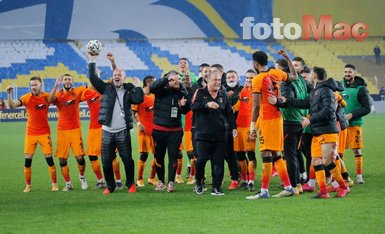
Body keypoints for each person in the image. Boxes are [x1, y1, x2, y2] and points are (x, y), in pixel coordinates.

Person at [272, 68, 350, 198]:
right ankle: (323, 191)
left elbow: (328, 111)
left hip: (328, 131)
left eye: (311, 73)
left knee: (327, 161)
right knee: (316, 161)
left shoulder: (327, 91)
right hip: (317, 131)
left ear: (314, 76)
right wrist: (286, 100)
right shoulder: (315, 91)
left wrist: (310, 119)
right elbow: (303, 103)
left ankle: (343, 186)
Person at [88, 53, 144, 194]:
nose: (117, 77)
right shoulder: (106, 88)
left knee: (127, 160)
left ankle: (131, 184)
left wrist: (138, 86)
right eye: (115, 75)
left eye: (120, 75)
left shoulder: (129, 90)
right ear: (113, 77)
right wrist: (92, 60)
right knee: (106, 161)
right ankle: (110, 186)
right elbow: (93, 78)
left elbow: (138, 99)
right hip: (107, 131)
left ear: (124, 78)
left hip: (123, 131)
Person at [246, 50, 297, 200]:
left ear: (255, 63)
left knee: (265, 153)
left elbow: (255, 106)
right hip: (277, 117)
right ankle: (288, 187)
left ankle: (264, 191)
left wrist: (252, 127)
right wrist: (288, 58)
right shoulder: (276, 73)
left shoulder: (257, 79)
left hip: (268, 119)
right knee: (275, 154)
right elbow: (294, 76)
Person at [7, 77, 58, 192]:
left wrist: (55, 87)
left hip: (44, 133)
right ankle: (28, 185)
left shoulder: (46, 96)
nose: (33, 87)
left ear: (40, 85)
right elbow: (11, 106)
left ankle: (54, 184)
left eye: (35, 85)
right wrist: (9, 94)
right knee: (28, 160)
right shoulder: (26, 98)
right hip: (31, 134)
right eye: (32, 85)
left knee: (49, 159)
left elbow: (55, 100)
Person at [192, 71, 237, 195]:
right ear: (207, 80)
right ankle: (199, 181)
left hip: (219, 134)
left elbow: (229, 113)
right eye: (215, 80)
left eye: (219, 80)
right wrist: (207, 104)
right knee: (201, 160)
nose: (217, 82)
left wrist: (233, 127)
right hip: (203, 134)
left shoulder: (223, 95)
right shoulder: (200, 92)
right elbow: (193, 107)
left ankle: (216, 187)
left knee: (218, 162)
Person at [150, 70, 190, 192]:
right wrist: (167, 79)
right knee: (159, 156)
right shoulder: (161, 90)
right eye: (174, 79)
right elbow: (152, 87)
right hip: (159, 129)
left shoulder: (182, 91)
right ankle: (161, 181)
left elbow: (185, 110)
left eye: (178, 79)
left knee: (173, 156)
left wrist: (183, 105)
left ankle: (171, 182)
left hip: (175, 130)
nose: (177, 81)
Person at [48, 74, 87, 191]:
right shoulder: (58, 94)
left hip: (75, 129)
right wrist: (55, 85)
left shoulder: (78, 92)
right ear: (62, 82)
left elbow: (89, 89)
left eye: (69, 79)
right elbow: (49, 101)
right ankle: (68, 183)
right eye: (65, 79)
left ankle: (82, 177)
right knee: (62, 159)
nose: (67, 81)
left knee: (80, 157)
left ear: (72, 81)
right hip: (62, 131)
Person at [277, 56, 309, 194]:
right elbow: (306, 101)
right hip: (299, 122)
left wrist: (277, 101)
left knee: (289, 155)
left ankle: (292, 186)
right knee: (295, 154)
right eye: (293, 65)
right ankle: (299, 185)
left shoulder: (286, 83)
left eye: (296, 65)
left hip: (289, 121)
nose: (294, 67)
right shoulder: (302, 81)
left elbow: (287, 101)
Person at [341, 64, 371, 184]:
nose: (347, 74)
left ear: (354, 73)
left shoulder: (361, 88)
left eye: (349, 72)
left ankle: (359, 176)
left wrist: (351, 115)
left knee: (357, 150)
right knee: (338, 152)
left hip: (355, 124)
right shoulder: (340, 85)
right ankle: (342, 176)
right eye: (345, 72)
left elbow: (366, 108)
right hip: (341, 125)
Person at [131, 75, 158, 187]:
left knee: (157, 156)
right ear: (149, 83)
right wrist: (138, 123)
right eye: (154, 83)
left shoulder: (155, 96)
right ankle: (139, 179)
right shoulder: (139, 97)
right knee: (144, 155)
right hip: (144, 131)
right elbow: (132, 113)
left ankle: (152, 178)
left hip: (155, 130)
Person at [233, 69, 257, 192]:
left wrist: (256, 128)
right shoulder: (243, 90)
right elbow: (239, 105)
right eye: (247, 78)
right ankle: (245, 179)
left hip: (250, 127)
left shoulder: (258, 92)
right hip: (239, 127)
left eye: (251, 78)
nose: (248, 80)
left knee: (251, 154)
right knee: (240, 155)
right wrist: (230, 108)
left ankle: (252, 181)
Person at [81, 85, 106, 188]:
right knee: (91, 155)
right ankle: (100, 180)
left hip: (106, 127)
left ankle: (116, 181)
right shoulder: (87, 92)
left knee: (109, 155)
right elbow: (75, 97)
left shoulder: (105, 88)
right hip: (93, 128)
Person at [223, 69, 242, 189]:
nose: (231, 79)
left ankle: (240, 177)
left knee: (240, 153)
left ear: (237, 78)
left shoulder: (241, 91)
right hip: (225, 126)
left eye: (233, 77)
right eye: (229, 77)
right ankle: (236, 175)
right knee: (226, 153)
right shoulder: (222, 91)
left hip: (239, 126)